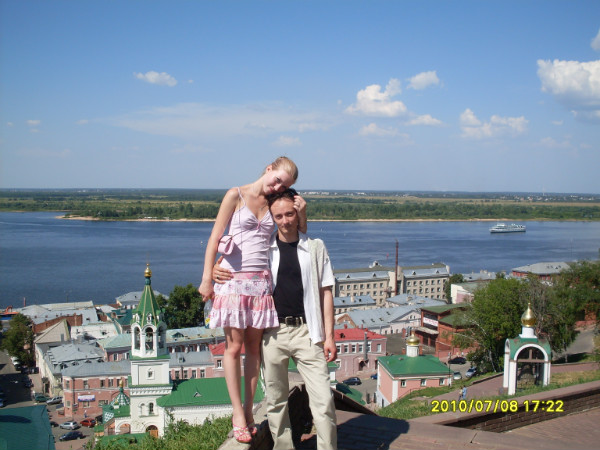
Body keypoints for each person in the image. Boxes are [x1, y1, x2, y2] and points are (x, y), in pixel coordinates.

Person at [214, 188, 337, 449]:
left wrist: (330, 336)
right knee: (276, 402)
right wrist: (217, 267)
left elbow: (326, 292)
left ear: (298, 212)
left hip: (308, 332)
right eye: (278, 216)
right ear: (272, 217)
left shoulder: (315, 247)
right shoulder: (264, 248)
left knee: (323, 401)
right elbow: (238, 262)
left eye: (290, 214)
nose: (285, 221)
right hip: (273, 333)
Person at [198, 157, 306, 444]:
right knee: (233, 348)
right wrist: (207, 277)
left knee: (254, 350)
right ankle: (237, 414)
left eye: (284, 185)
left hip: (260, 285)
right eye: (277, 179)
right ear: (269, 169)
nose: (278, 187)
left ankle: (248, 410)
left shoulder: (274, 203)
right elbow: (214, 237)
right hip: (232, 282)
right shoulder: (236, 195)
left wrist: (301, 209)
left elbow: (296, 233)